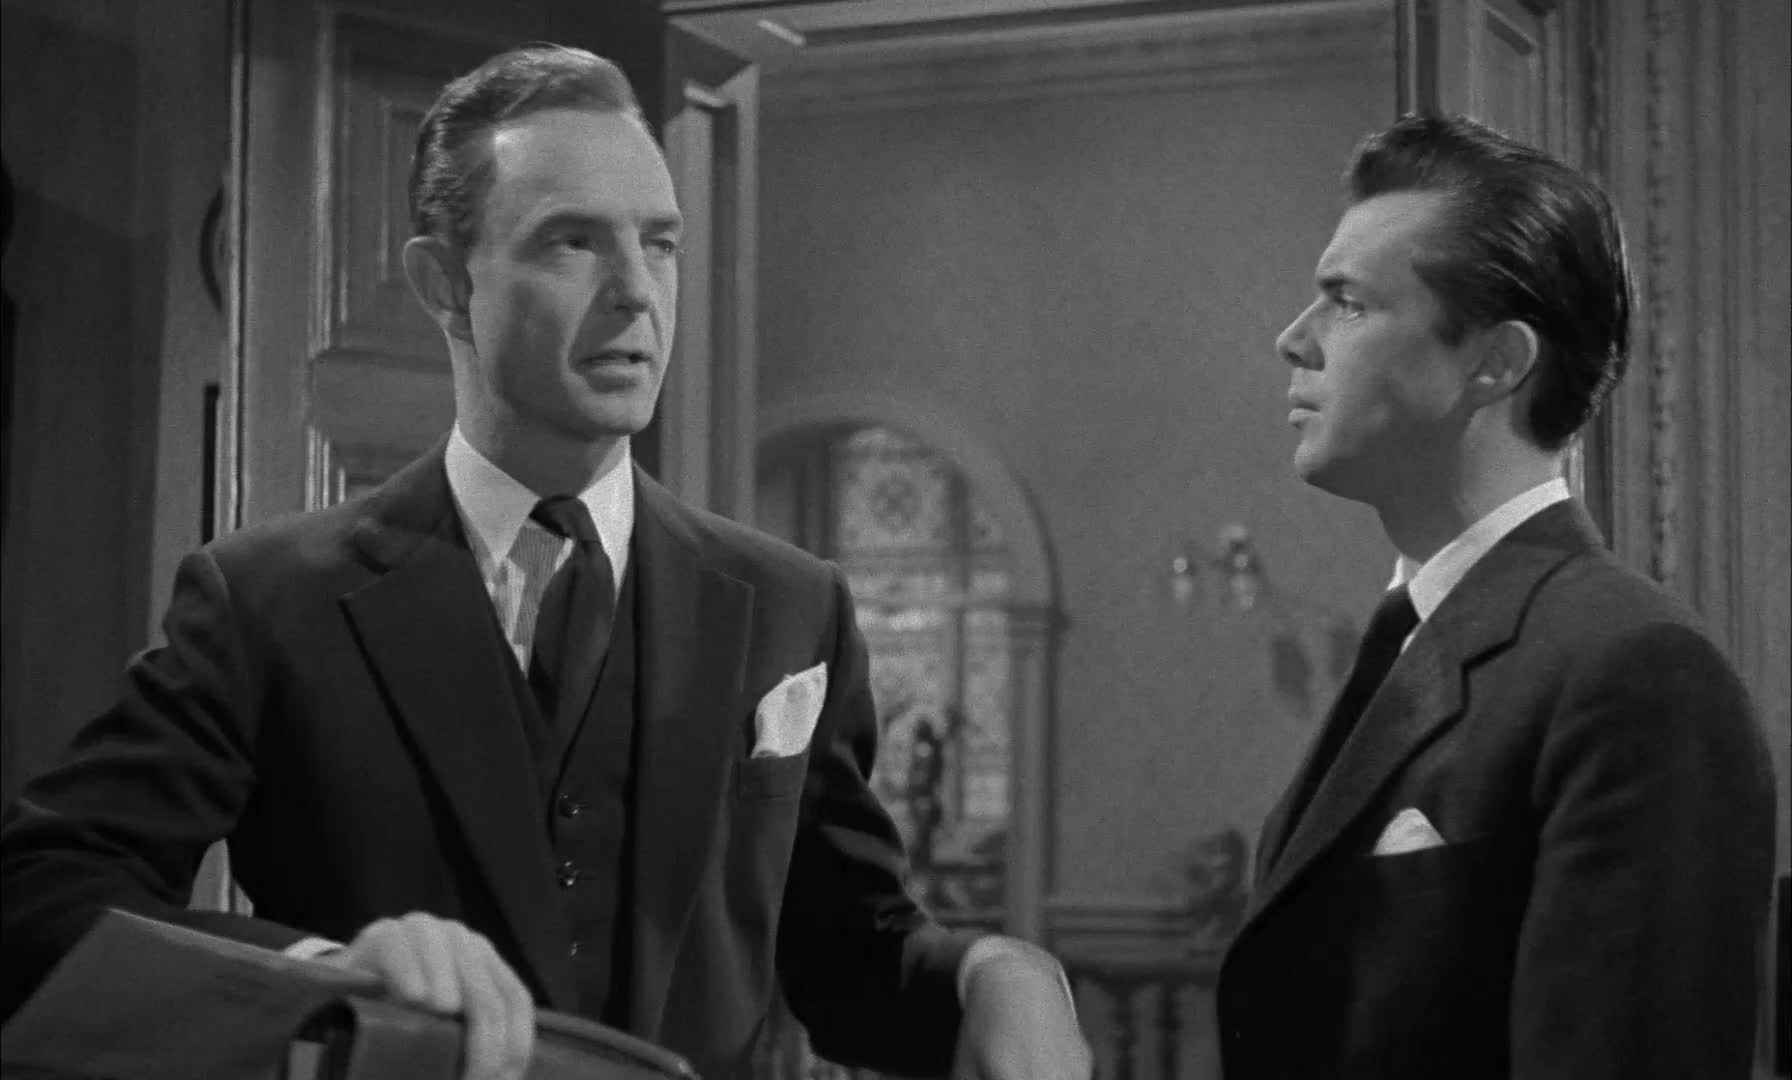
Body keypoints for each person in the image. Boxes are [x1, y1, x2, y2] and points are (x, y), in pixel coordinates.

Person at [0, 44, 1090, 1080]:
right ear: (443, 283)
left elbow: (853, 955)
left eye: (659, 243)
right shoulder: (270, 601)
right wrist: (325, 978)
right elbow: (38, 898)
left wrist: (993, 973)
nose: (636, 291)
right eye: (573, 241)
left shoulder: (790, 607)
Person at [1217, 112, 1777, 1079]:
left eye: (1347, 303)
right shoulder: (1411, 637)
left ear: (1497, 362)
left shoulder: (1636, 673)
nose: (1292, 339)